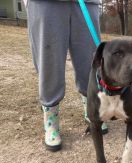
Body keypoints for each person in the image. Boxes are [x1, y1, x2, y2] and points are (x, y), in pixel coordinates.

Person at [24, 0, 108, 152]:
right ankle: (51, 121)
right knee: (49, 61)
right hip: (46, 3)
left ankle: (91, 111)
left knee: (90, 59)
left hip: (87, 3)